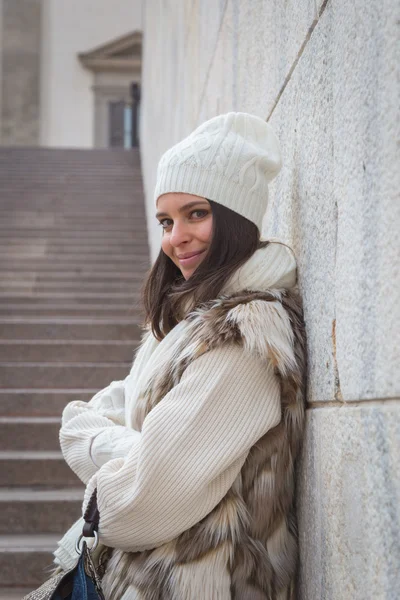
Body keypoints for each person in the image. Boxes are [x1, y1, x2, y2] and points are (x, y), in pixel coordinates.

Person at [54, 112, 307, 599]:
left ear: (237, 219)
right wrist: (136, 446)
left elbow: (135, 501)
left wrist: (95, 444)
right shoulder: (186, 323)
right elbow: (112, 405)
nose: (175, 238)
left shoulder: (243, 337)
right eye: (166, 221)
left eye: (196, 214)